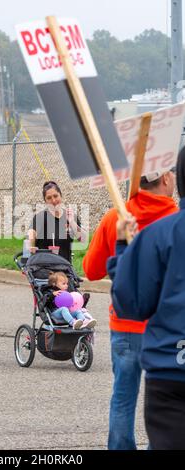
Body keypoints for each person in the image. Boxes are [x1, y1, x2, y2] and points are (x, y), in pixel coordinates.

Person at [83, 167, 178, 450]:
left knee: (123, 397)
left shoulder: (117, 217)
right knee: (165, 399)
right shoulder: (175, 219)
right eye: (170, 172)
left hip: (124, 323)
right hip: (164, 327)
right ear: (164, 179)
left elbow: (92, 269)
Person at [107, 149, 185, 450]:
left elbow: (130, 302)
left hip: (170, 369)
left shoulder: (153, 233)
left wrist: (125, 251)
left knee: (123, 398)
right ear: (166, 180)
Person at [28, 181, 87, 263]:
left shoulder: (71, 216)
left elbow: (84, 240)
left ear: (61, 196)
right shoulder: (40, 217)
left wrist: (72, 222)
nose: (53, 200)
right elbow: (31, 233)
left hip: (65, 266)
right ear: (45, 201)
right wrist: (31, 246)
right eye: (49, 198)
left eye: (56, 196)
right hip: (44, 267)